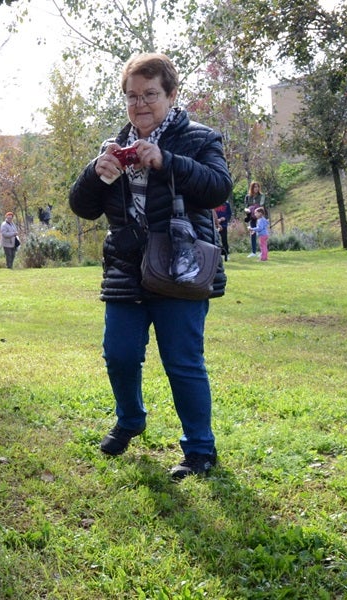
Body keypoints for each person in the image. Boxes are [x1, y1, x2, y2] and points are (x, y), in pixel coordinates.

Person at [68, 52, 231, 479]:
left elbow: (218, 187)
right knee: (119, 354)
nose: (139, 104)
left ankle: (199, 449)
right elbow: (82, 208)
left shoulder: (197, 138)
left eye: (150, 94)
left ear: (171, 95)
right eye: (131, 96)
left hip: (179, 265)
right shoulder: (114, 145)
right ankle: (130, 419)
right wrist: (94, 173)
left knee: (182, 360)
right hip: (126, 266)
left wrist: (167, 160)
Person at [244, 181, 263, 257]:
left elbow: (263, 206)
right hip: (252, 217)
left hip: (260, 216)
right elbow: (245, 207)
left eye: (257, 187)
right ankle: (253, 252)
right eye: (255, 187)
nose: (256, 188)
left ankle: (262, 251)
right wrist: (247, 210)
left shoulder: (261, 196)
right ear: (252, 188)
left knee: (261, 234)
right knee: (253, 233)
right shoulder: (248, 197)